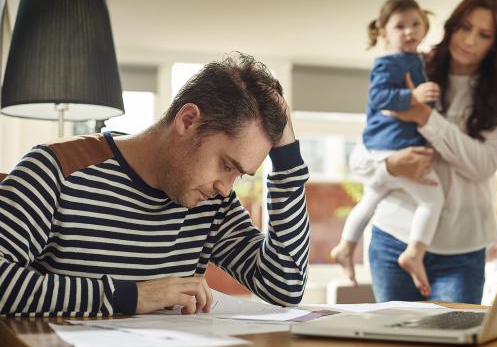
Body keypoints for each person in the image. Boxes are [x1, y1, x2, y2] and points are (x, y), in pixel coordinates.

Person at [0, 53, 310, 317]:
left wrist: (288, 165)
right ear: (188, 120)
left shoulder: (211, 203)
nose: (226, 188)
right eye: (227, 165)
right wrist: (130, 297)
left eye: (238, 174)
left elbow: (284, 288)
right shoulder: (56, 168)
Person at [351, 0, 497, 304]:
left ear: (495, 43)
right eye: (465, 27)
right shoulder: (410, 67)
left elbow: (482, 165)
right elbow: (360, 159)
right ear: (451, 27)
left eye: (484, 34)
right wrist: (391, 166)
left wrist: (425, 117)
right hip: (393, 238)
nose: (469, 40)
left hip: (461, 249)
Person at [330, 0, 443, 297]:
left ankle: (346, 245)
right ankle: (414, 253)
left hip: (386, 146)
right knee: (432, 199)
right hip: (390, 145)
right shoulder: (387, 61)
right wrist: (415, 97)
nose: (409, 31)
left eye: (415, 24)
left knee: (371, 197)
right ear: (384, 35)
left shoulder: (415, 59)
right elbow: (379, 97)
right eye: (400, 26)